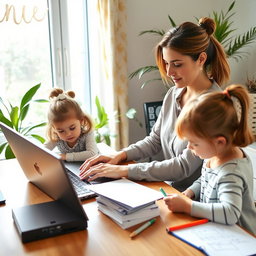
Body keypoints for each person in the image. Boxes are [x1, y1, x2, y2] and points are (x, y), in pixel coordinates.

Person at [79, 17, 230, 191]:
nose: (169, 72)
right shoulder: (174, 94)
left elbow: (183, 167)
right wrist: (119, 156)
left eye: (177, 64)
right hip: (170, 191)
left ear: (201, 59)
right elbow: (154, 140)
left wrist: (124, 170)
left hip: (197, 202)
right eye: (166, 63)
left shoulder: (213, 107)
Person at [163, 84, 256, 235]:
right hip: (218, 229)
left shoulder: (231, 171)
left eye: (194, 143)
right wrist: (191, 192)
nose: (189, 148)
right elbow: (206, 180)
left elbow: (230, 212)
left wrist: (188, 206)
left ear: (220, 142)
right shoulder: (215, 156)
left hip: (240, 238)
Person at [44, 88, 99, 161]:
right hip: (71, 168)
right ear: (54, 129)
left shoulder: (87, 134)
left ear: (81, 121)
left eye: (72, 128)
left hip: (91, 166)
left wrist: (65, 156)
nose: (68, 134)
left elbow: (92, 154)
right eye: (61, 131)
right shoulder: (56, 136)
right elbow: (42, 151)